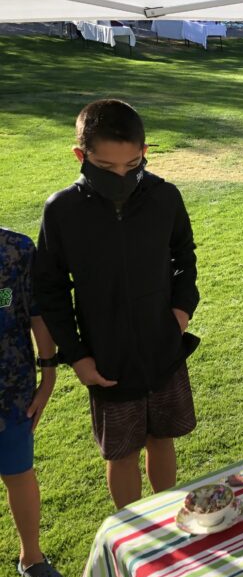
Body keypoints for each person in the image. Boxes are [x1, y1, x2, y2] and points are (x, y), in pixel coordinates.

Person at [33, 100, 200, 510]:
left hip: (162, 348)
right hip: (106, 359)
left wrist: (181, 311)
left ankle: (168, 517)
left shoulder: (165, 197)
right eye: (107, 168)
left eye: (132, 164)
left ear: (144, 152)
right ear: (81, 156)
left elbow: (184, 256)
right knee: (122, 452)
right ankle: (133, 531)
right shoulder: (62, 211)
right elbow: (50, 289)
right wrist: (77, 357)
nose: (121, 176)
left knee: (161, 438)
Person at [1, 228, 65, 577]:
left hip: (11, 391)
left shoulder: (17, 249)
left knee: (19, 474)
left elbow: (38, 313)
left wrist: (49, 372)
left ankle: (32, 558)